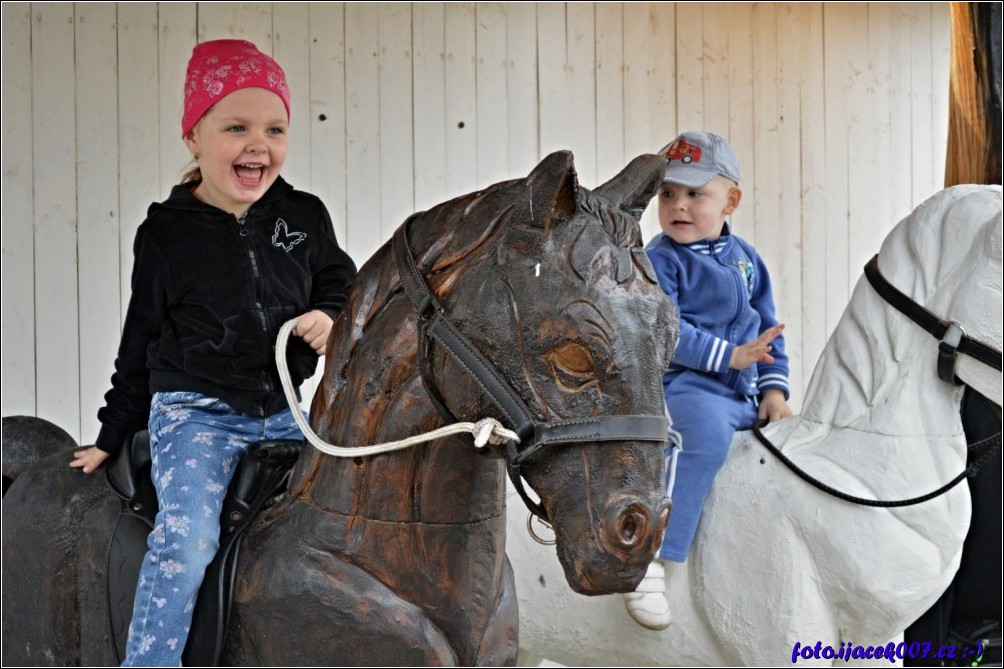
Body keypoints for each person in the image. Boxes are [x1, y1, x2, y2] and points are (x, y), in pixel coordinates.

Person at [68, 39, 357, 665]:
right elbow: (139, 342)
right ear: (194, 136)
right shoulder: (167, 234)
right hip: (196, 413)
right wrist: (112, 435)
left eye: (274, 128)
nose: (259, 145)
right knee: (188, 540)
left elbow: (338, 276)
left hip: (286, 411)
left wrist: (329, 314)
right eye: (237, 127)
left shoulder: (304, 216)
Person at [623, 131, 792, 631]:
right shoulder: (660, 259)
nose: (678, 206)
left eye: (695, 194)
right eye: (667, 194)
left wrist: (774, 390)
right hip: (687, 390)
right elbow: (665, 328)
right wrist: (731, 357)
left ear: (730, 200)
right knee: (703, 438)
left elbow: (767, 327)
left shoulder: (746, 259)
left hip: (742, 392)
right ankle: (649, 557)